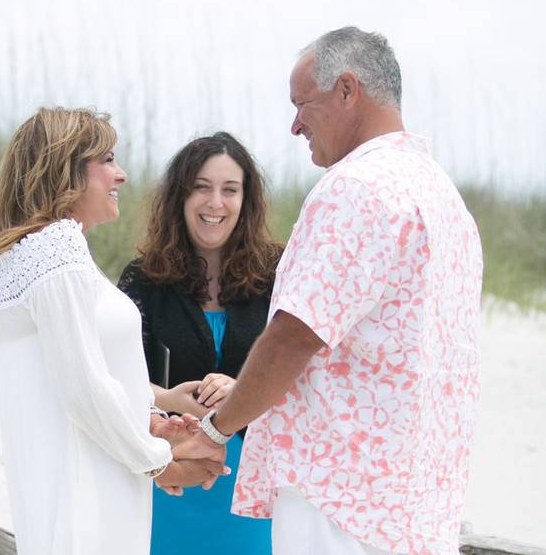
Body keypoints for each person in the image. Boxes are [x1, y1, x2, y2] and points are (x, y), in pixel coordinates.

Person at [174, 27, 484, 555]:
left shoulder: (356, 189)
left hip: (342, 499)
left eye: (302, 105)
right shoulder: (443, 198)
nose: (295, 125)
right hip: (415, 507)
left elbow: (296, 334)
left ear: (346, 90)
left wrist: (217, 429)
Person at [0, 107, 225, 555]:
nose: (120, 175)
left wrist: (156, 411)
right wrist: (159, 463)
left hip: (92, 479)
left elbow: (72, 372)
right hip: (86, 495)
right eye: (106, 160)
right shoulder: (53, 250)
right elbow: (83, 388)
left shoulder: (35, 255)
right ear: (64, 168)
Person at [118, 131, 280, 553]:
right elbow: (121, 380)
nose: (215, 203)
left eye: (230, 190)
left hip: (254, 488)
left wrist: (244, 391)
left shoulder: (277, 275)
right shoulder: (144, 280)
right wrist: (172, 399)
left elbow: (301, 371)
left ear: (247, 201)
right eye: (201, 188)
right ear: (180, 197)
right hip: (169, 476)